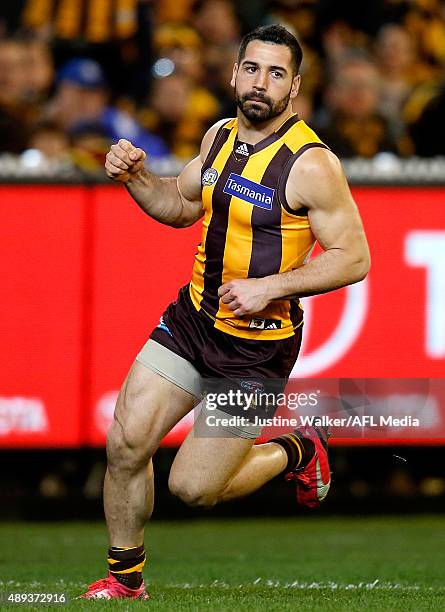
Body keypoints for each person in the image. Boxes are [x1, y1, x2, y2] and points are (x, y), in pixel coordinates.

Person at [81, 25, 370, 600]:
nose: (262, 83)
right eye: (254, 69)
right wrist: (136, 177)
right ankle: (124, 580)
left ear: (295, 87)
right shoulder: (219, 137)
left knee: (192, 488)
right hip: (192, 320)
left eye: (277, 73)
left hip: (256, 349)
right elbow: (180, 204)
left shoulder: (312, 164)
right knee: (125, 444)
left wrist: (272, 287)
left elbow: (354, 258)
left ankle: (298, 449)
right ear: (235, 74)